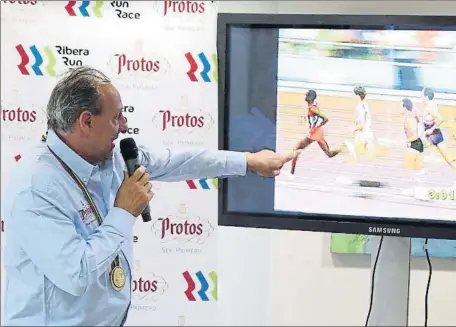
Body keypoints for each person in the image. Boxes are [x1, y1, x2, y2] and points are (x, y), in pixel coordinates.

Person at [1, 66, 298, 326]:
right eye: (117, 118)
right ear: (86, 122)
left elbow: (177, 161)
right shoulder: (35, 187)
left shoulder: (111, 157)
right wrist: (124, 212)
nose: (125, 127)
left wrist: (248, 161)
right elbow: (76, 274)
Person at [289, 89, 345, 175]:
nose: (305, 97)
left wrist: (315, 127)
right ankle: (342, 148)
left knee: (297, 148)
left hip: (314, 133)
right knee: (329, 154)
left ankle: (292, 172)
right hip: (318, 133)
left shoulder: (312, 108)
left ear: (310, 98)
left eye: (306, 96)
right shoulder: (312, 106)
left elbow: (325, 119)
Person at [345, 85, 374, 159]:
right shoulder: (365, 105)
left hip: (363, 136)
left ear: (358, 96)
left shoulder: (360, 107)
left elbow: (362, 125)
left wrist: (353, 129)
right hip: (368, 135)